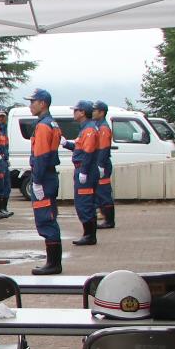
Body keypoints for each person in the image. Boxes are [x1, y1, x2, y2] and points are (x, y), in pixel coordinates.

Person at [26, 88, 65, 274]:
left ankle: (53, 264)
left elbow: (40, 156)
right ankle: (53, 262)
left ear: (42, 103)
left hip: (44, 177)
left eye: (33, 101)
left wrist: (37, 182)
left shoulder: (43, 126)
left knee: (46, 220)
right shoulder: (52, 123)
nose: (30, 105)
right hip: (49, 175)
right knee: (49, 217)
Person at [70, 99, 101, 247]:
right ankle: (89, 234)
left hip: (85, 171)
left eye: (75, 110)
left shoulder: (88, 130)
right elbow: (81, 149)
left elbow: (88, 152)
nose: (74, 113)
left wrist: (83, 171)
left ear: (82, 112)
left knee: (84, 203)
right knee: (86, 202)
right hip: (85, 169)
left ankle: (89, 235)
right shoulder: (85, 129)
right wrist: (66, 144)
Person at [92, 100, 117, 229]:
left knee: (104, 193)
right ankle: (106, 218)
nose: (93, 112)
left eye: (95, 110)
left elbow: (104, 149)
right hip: (99, 163)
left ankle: (109, 221)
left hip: (103, 164)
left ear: (101, 112)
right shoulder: (98, 125)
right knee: (100, 192)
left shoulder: (103, 128)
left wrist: (100, 165)